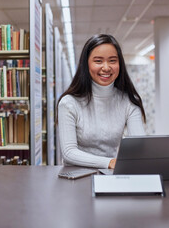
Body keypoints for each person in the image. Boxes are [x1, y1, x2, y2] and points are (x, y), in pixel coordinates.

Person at [57, 34, 146, 169]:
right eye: (98, 61)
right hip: (75, 176)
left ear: (119, 64)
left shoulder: (129, 101)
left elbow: (139, 145)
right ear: (86, 64)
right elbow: (69, 153)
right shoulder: (69, 103)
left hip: (110, 175)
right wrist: (109, 162)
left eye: (112, 61)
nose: (106, 67)